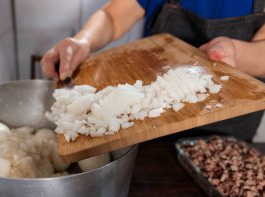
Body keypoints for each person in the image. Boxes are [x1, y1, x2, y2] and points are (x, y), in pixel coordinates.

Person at [41, 0, 265, 141]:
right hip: (151, 117)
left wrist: (234, 51)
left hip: (226, 129)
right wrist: (82, 41)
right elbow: (113, 16)